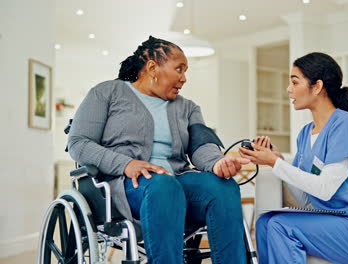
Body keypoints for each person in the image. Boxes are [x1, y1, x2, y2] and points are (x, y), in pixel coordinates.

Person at [68, 36, 249, 264]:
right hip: (124, 186)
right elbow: (79, 142)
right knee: (163, 185)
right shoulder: (106, 93)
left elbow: (202, 145)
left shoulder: (187, 107)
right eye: (179, 69)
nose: (184, 79)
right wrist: (127, 164)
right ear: (152, 67)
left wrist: (216, 163)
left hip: (176, 181)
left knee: (223, 187)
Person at [239, 52, 348, 264]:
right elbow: (305, 199)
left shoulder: (345, 124)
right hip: (333, 222)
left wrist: (275, 163)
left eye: (295, 82)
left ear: (317, 87)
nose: (289, 89)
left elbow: (325, 188)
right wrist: (277, 159)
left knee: (281, 225)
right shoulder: (304, 134)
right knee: (265, 223)